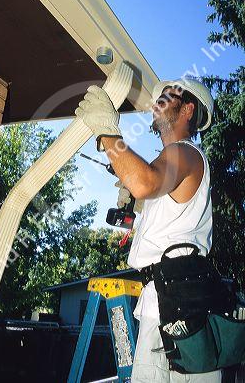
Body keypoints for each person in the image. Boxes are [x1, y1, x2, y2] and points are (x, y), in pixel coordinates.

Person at [75, 77, 222, 382]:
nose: (156, 105)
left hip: (175, 306)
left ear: (188, 108)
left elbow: (144, 182)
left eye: (166, 98)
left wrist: (107, 131)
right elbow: (149, 188)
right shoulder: (181, 161)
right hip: (175, 302)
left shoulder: (185, 152)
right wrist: (143, 204)